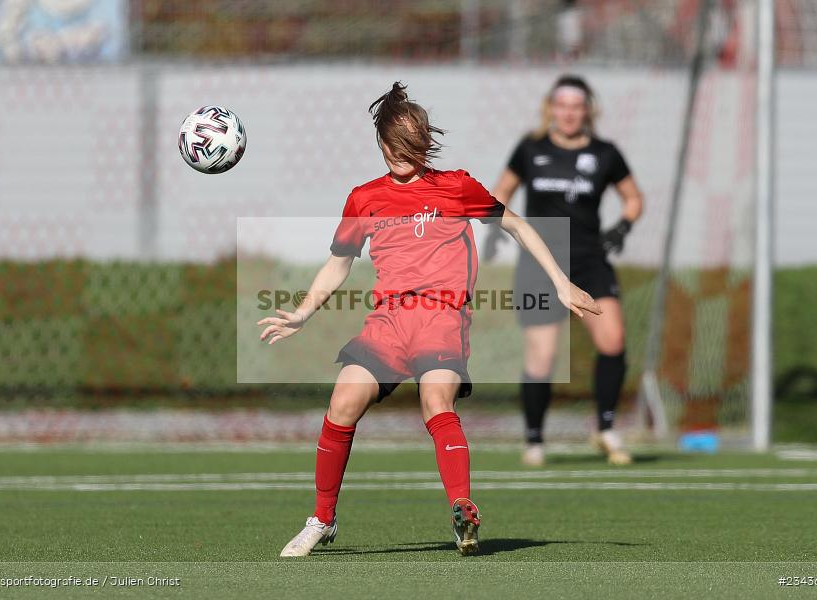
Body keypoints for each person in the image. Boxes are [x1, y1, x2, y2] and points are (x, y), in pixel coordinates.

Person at [258, 82, 601, 557]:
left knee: (436, 401)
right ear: (381, 145)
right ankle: (322, 518)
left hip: (441, 317)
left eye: (411, 145)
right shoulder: (364, 198)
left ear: (424, 142)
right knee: (341, 405)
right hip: (389, 322)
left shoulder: (456, 186)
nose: (402, 155)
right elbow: (339, 262)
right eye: (394, 146)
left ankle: (464, 510)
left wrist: (561, 284)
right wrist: (302, 312)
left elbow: (517, 225)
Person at [485, 75, 644, 466]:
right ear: (551, 109)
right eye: (562, 106)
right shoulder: (530, 148)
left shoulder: (606, 153)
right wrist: (496, 229)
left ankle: (606, 428)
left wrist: (623, 226)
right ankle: (535, 440)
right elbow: (499, 192)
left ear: (587, 110)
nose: (569, 113)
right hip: (540, 262)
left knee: (613, 339)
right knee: (543, 355)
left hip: (590, 257)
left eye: (577, 106)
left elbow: (633, 198)